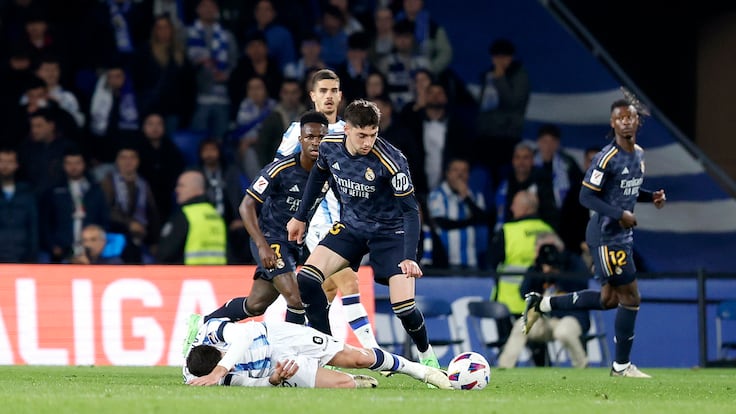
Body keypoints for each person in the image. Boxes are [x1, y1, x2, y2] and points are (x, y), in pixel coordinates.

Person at [287, 99, 441, 369]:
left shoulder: (392, 161)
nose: (368, 142)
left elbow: (410, 211)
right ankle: (328, 353)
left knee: (403, 307)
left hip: (390, 232)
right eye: (362, 135)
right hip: (352, 227)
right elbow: (317, 178)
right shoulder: (329, 147)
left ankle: (426, 353)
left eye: (373, 134)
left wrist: (409, 256)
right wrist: (301, 217)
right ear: (346, 129)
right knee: (307, 280)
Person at [522, 98, 667, 378]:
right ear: (612, 123)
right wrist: (619, 214)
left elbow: (626, 190)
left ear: (637, 121)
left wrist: (652, 197)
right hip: (606, 236)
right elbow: (586, 196)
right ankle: (621, 366)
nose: (626, 121)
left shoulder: (638, 154)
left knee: (609, 299)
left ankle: (542, 303)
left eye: (630, 117)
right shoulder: (606, 158)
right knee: (631, 297)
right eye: (620, 118)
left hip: (621, 234)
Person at [276, 69, 379, 350]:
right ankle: (376, 355)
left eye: (333, 91)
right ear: (313, 96)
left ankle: (298, 345)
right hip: (316, 219)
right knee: (349, 281)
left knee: (327, 288)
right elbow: (279, 170)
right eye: (323, 91)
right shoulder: (300, 131)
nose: (329, 96)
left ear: (341, 95)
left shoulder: (349, 130)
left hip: (347, 219)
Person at [200, 111, 329, 328]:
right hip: (272, 239)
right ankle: (293, 349)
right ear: (301, 139)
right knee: (296, 300)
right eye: (310, 137)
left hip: (295, 245)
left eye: (321, 138)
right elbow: (246, 205)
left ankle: (203, 324)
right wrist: (262, 246)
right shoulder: (280, 169)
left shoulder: (330, 172)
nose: (316, 142)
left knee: (256, 305)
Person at [183, 317, 452, 389]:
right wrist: (274, 380)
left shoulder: (212, 332)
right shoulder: (212, 378)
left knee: (359, 358)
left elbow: (243, 336)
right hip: (276, 365)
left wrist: (221, 369)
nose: (228, 369)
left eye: (224, 363)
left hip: (277, 336)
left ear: (218, 351)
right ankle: (354, 381)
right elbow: (254, 384)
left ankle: (422, 371)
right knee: (344, 385)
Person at [497, 232, 590, 368]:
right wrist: (538, 272)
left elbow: (581, 288)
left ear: (558, 247)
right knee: (521, 326)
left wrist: (557, 273)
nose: (544, 252)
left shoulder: (573, 262)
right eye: (539, 248)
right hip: (545, 319)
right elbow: (524, 293)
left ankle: (582, 366)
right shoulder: (538, 267)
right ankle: (504, 367)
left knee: (563, 332)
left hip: (571, 317)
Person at [488, 190, 554, 317]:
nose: (511, 208)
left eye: (515, 204)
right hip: (540, 305)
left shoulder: (508, 231)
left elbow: (491, 260)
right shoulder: (548, 230)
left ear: (525, 208)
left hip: (509, 305)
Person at [475, 38, 530, 188]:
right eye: (497, 57)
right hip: (486, 136)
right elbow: (483, 105)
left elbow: (514, 102)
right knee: (484, 177)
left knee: (504, 178)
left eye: (504, 57)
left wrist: (500, 79)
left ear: (511, 57)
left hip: (507, 137)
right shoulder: (488, 75)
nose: (500, 61)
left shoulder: (519, 75)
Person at [40, 147, 110, 263]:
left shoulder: (95, 190)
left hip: (90, 250)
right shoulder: (54, 190)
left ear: (84, 164)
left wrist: (98, 242)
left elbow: (104, 219)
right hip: (62, 249)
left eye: (77, 163)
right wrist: (52, 245)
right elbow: (46, 221)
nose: (73, 167)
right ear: (63, 165)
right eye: (69, 163)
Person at [427, 157, 489, 270]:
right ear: (447, 173)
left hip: (472, 260)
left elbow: (482, 219)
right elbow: (442, 223)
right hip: (447, 260)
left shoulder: (475, 195)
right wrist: (470, 222)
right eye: (455, 170)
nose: (460, 175)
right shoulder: (437, 194)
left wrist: (466, 198)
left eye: (464, 171)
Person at [156, 170, 226, 265]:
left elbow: (164, 253)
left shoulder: (185, 214)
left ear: (196, 189)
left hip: (189, 272)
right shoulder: (215, 215)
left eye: (181, 186)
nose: (177, 190)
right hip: (217, 272)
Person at [0, 147, 38, 263]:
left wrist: (33, 255)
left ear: (16, 165)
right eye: (2, 161)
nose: (5, 166)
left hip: (22, 255)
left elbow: (33, 225)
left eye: (9, 162)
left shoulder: (27, 193)